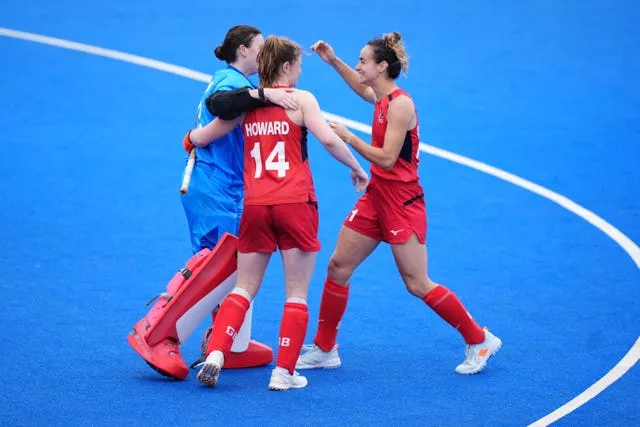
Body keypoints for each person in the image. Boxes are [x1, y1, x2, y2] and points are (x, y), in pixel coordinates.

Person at [294, 33, 502, 375]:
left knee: (417, 283)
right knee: (338, 267)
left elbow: (388, 159)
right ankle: (326, 348)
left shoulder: (401, 105)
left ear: (382, 66)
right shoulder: (380, 96)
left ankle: (479, 338)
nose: (359, 65)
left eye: (363, 61)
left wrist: (349, 138)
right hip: (377, 196)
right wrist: (332, 61)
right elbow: (361, 89)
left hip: (402, 203)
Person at [184, 35, 369, 390]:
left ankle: (217, 353)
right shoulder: (300, 100)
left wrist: (190, 138)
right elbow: (329, 139)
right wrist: (357, 167)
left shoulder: (248, 104)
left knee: (243, 287)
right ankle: (284, 372)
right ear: (286, 66)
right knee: (296, 292)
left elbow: (208, 133)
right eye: (298, 64)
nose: (301, 70)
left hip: (255, 206)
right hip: (295, 204)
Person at [127, 25, 298, 380]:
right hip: (216, 186)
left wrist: (195, 137)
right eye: (260, 47)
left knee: (236, 262)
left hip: (225, 187)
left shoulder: (235, 81)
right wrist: (261, 95)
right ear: (243, 50)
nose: (265, 53)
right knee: (215, 266)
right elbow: (219, 106)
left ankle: (230, 342)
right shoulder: (230, 82)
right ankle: (156, 332)